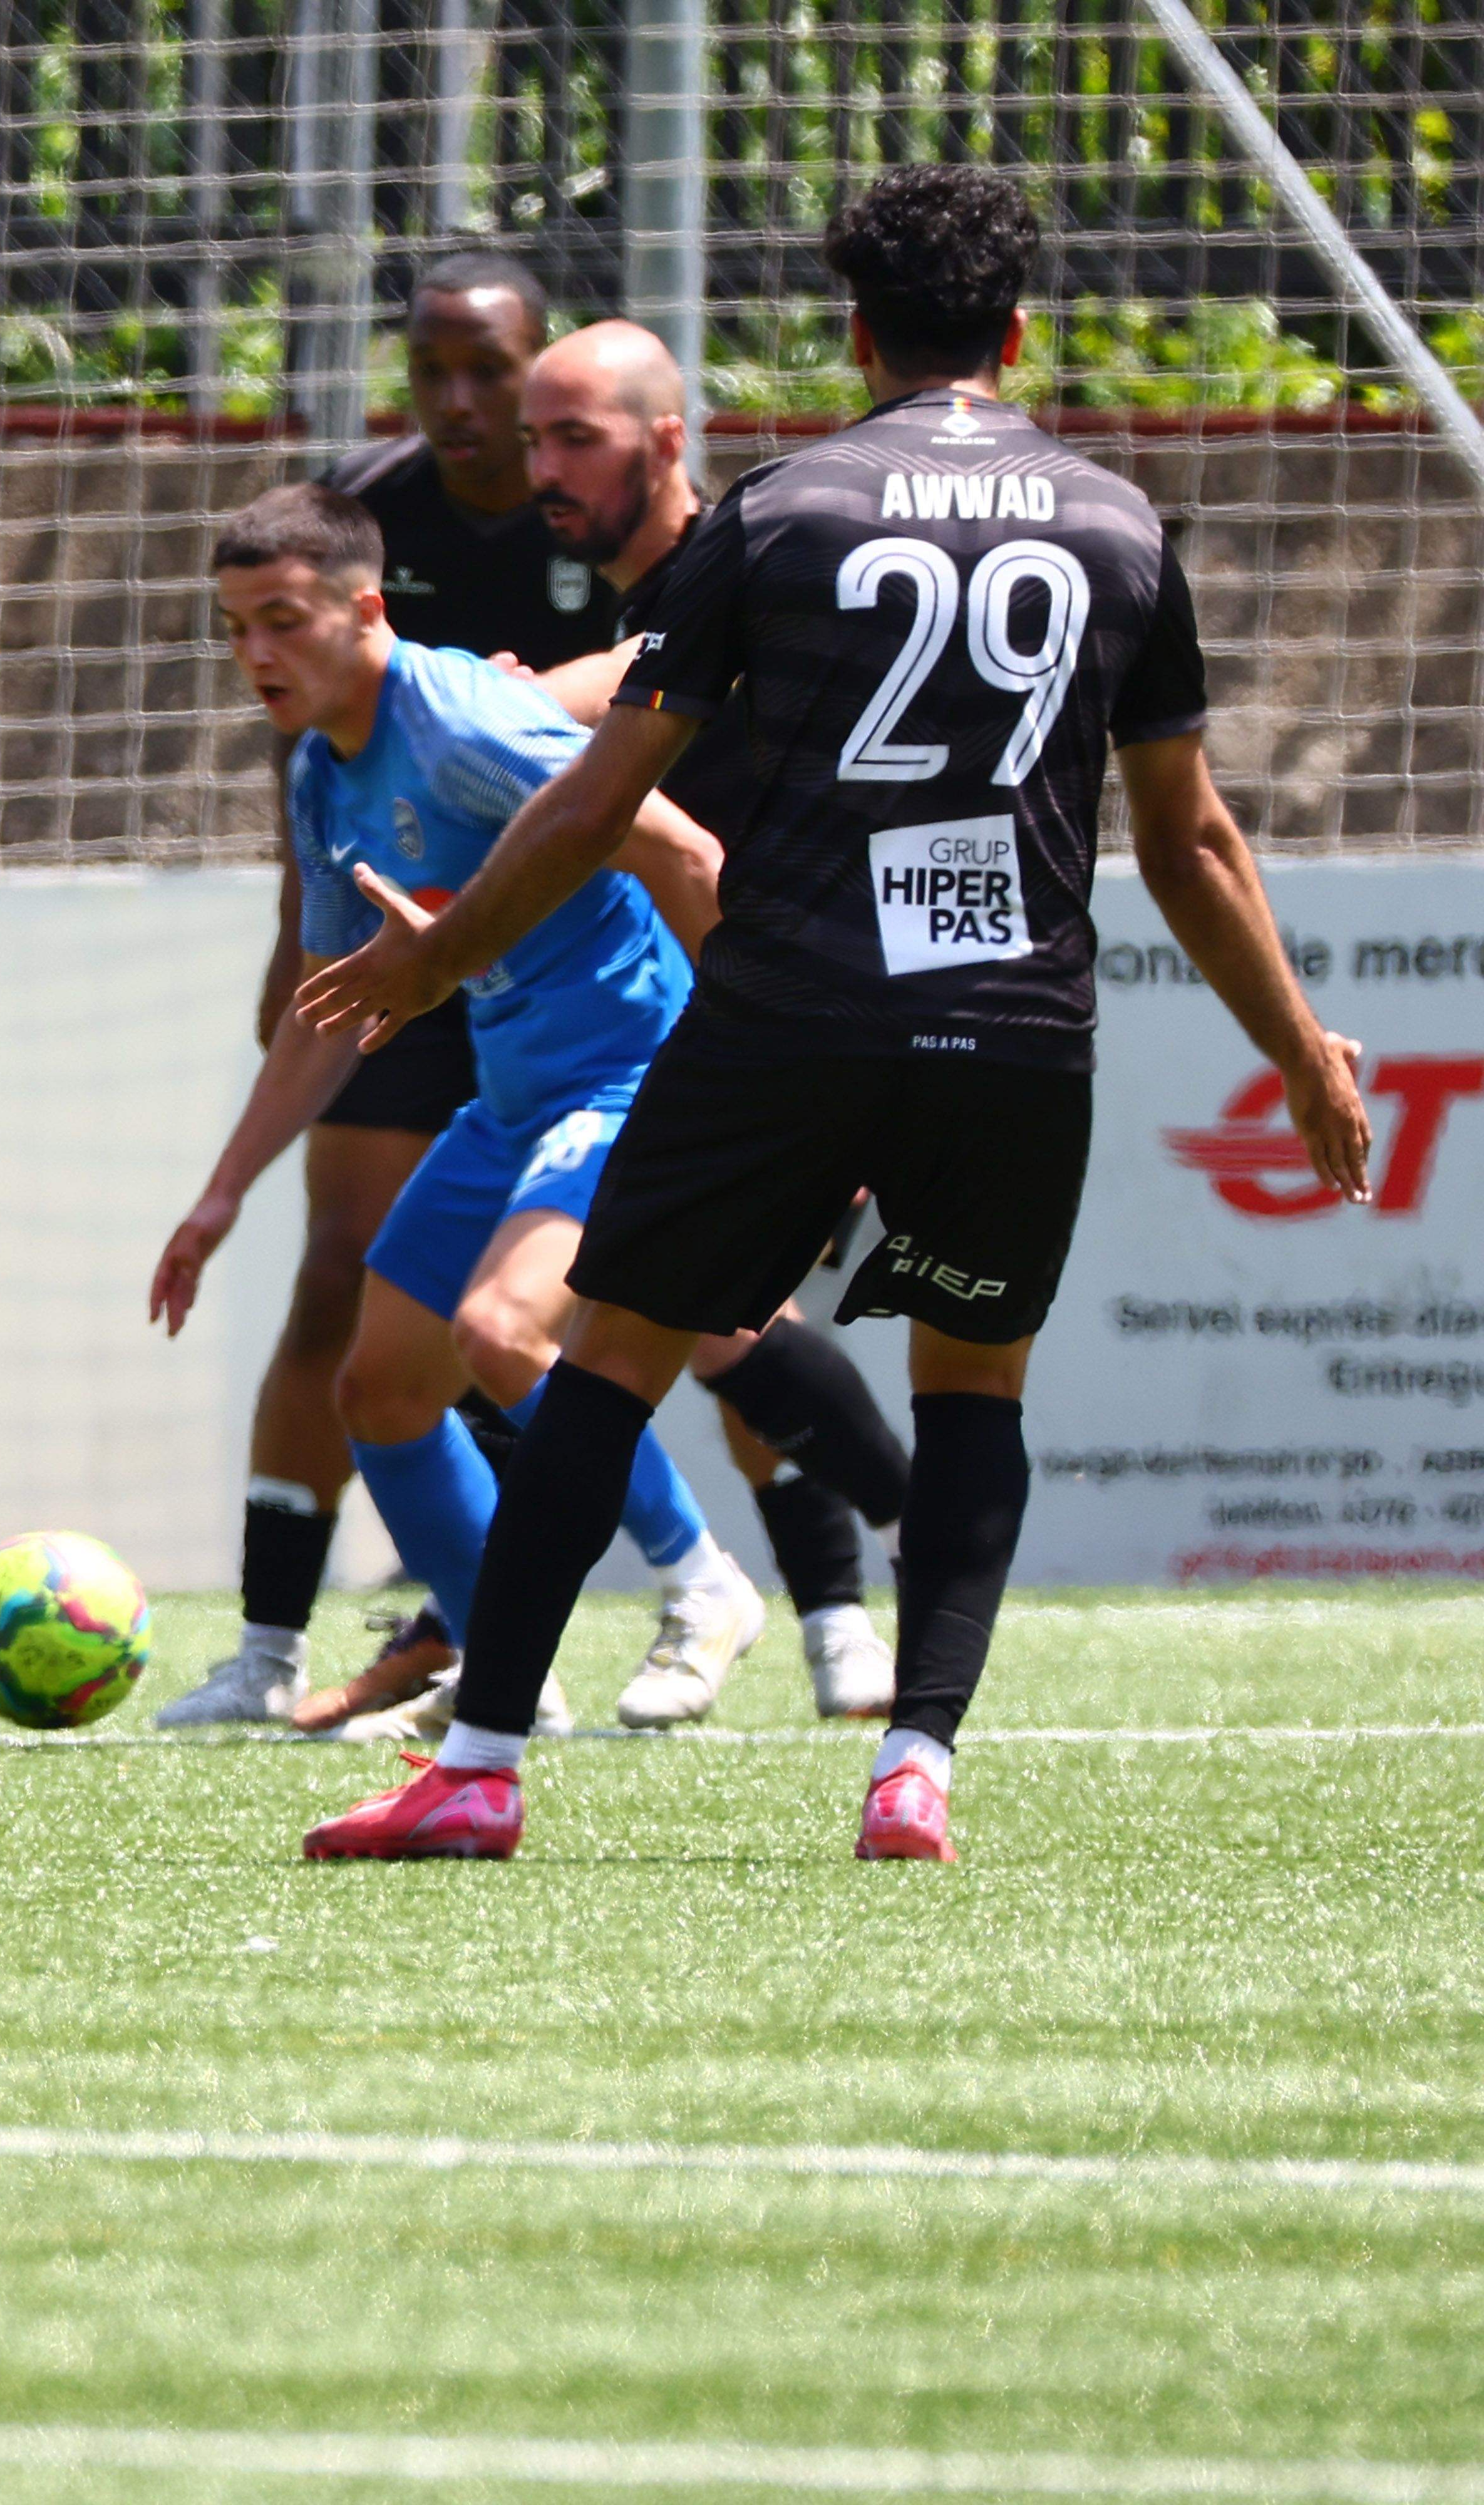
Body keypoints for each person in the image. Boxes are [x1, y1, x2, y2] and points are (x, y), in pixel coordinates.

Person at [296, 165, 1369, 1864]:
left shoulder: (780, 511)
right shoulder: (1116, 526)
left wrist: (438, 960)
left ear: (855, 332)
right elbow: (1191, 841)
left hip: (788, 1019)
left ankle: (484, 1766)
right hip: (1010, 1039)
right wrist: (1302, 1053)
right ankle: (914, 1765)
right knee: (974, 1396)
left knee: (609, 1366)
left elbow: (594, 803)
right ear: (1018, 335)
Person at [149, 483, 761, 1740]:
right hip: (514, 1099)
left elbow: (687, 855)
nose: (255, 654)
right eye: (233, 627)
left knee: (499, 1328)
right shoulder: (323, 771)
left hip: (630, 1071)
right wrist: (222, 1192)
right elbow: (332, 1012)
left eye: (281, 620)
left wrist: (759, 1060)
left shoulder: (466, 723)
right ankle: (505, 1672)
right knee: (379, 1388)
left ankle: (707, 1587)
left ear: (365, 610)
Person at [159, 252, 633, 1733]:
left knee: (650, 1324)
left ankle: (752, 1590)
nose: (462, 402)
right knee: (354, 1298)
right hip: (402, 958)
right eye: (432, 372)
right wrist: (237, 1145)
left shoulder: (596, 515)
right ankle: (272, 1642)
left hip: (563, 981)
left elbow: (653, 776)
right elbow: (329, 803)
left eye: (491, 373)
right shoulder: (360, 507)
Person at [515, 317, 920, 1726]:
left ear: (666, 438)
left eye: (578, 437)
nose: (546, 469)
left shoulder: (740, 562)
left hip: (801, 994)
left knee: (693, 1317)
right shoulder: (659, 594)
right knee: (725, 1314)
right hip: (721, 1006)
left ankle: (884, 1541)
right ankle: (832, 1618)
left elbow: (636, 677)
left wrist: (491, 704)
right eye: (535, 441)